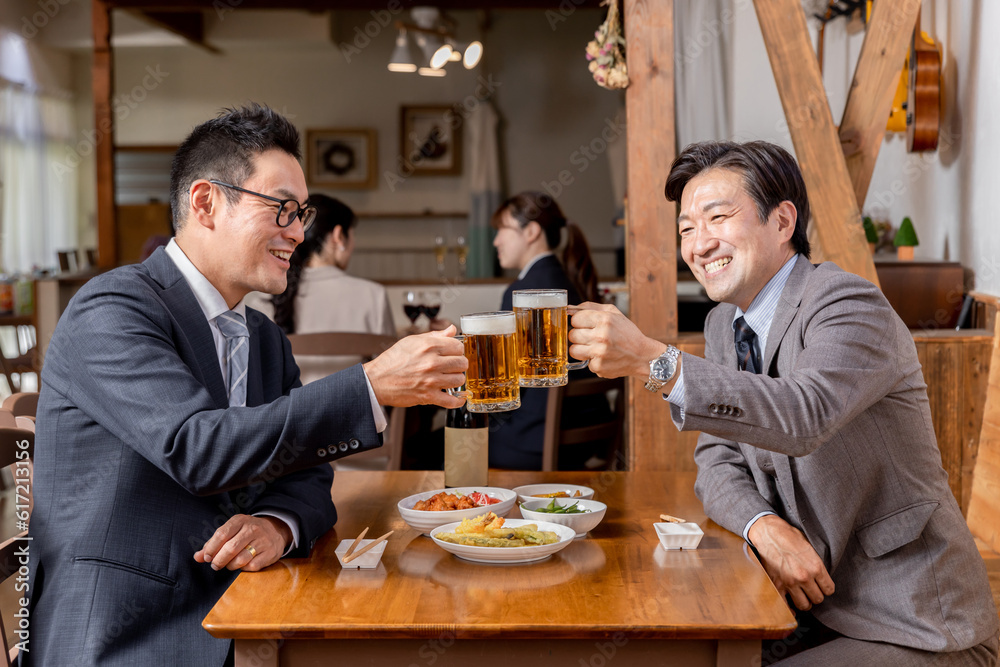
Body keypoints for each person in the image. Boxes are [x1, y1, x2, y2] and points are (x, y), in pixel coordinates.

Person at [24, 103, 467, 667]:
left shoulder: (261, 336)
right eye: (283, 210)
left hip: (246, 605)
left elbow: (307, 471)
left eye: (302, 214)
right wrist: (372, 385)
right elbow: (196, 446)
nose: (299, 233)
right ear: (206, 203)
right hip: (127, 629)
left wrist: (277, 525)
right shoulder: (111, 309)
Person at [568, 140, 999, 665]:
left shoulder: (847, 303)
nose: (698, 244)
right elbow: (717, 459)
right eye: (685, 228)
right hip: (802, 611)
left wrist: (652, 360)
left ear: (782, 221)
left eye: (717, 218)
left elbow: (802, 414)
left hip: (915, 625)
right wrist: (762, 527)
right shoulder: (724, 324)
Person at [488, 191, 611, 470]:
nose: (495, 241)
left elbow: (504, 380)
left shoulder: (524, 295)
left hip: (537, 442)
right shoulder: (567, 279)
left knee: (444, 442)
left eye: (502, 230)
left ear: (530, 231)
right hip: (584, 435)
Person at [246, 194, 395, 383]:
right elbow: (392, 370)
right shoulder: (374, 295)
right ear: (339, 236)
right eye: (352, 235)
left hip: (292, 413)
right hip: (362, 412)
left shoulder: (263, 298)